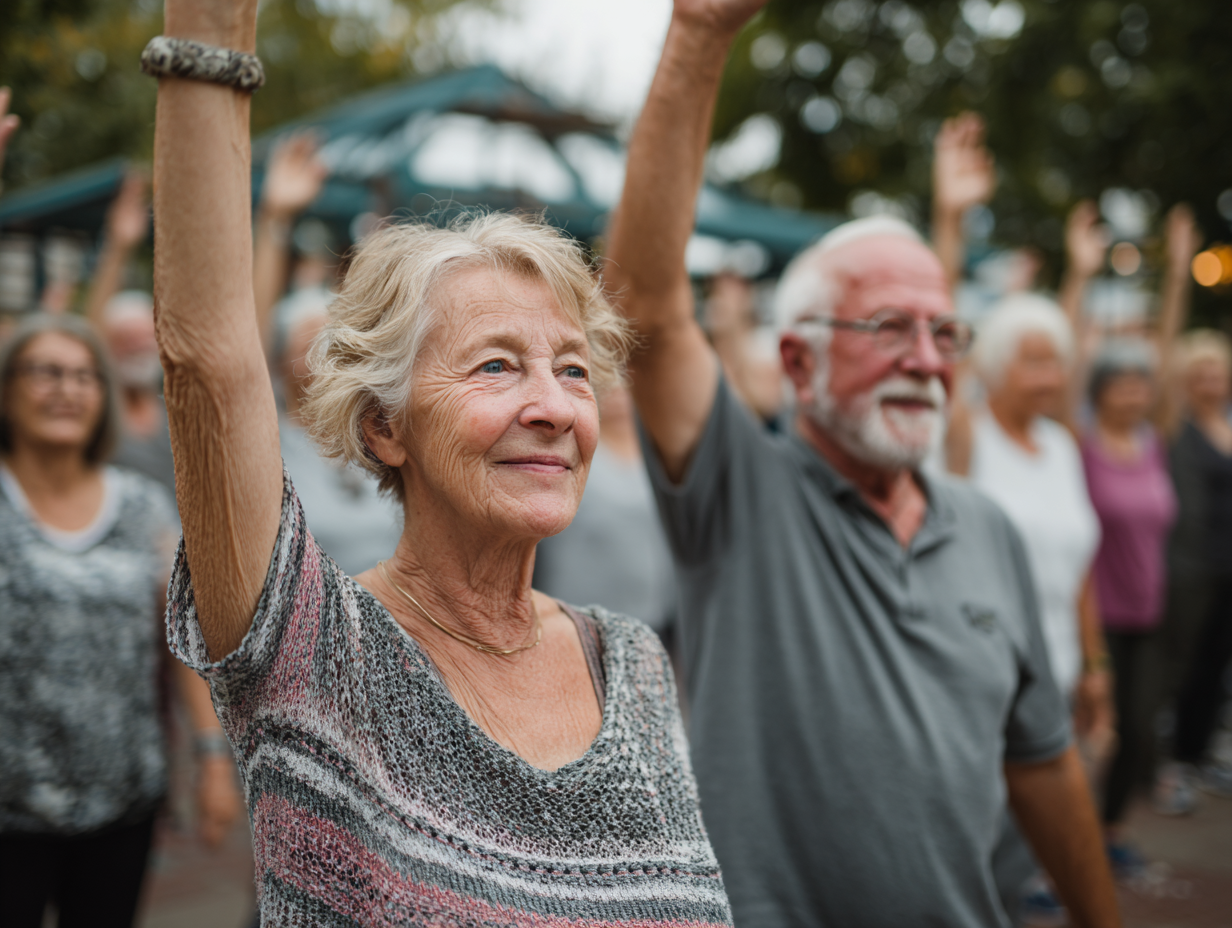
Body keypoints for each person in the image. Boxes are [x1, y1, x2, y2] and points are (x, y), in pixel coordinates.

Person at [148, 1, 732, 924]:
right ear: (386, 428)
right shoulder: (314, 652)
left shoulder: (634, 666)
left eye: (572, 369)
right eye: (497, 365)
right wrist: (212, 36)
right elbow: (207, 363)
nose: (552, 406)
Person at [602, 1, 1121, 926]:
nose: (928, 359)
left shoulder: (987, 527)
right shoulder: (738, 493)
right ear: (796, 361)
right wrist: (699, 35)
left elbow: (1041, 763)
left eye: (944, 332)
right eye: (889, 329)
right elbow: (641, 303)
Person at [0, 314, 240, 928]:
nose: (67, 389)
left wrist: (213, 759)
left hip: (124, 798)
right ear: (6, 388)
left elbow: (179, 645)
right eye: (45, 372)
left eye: (85, 375)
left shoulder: (142, 505)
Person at [1079, 341, 1177, 872]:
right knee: (1093, 735)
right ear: (1098, 393)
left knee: (1140, 732)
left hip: (1149, 614)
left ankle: (1109, 830)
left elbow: (1168, 353)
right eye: (1123, 384)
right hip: (1098, 616)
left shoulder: (1153, 443)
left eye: (1142, 384)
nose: (1136, 393)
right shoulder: (1081, 447)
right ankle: (1062, 847)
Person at [1154, 329, 1232, 811]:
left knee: (1217, 668)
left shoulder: (1228, 425)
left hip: (1228, 567)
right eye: (1200, 372)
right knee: (1182, 667)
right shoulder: (1172, 428)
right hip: (1190, 567)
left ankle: (1200, 755)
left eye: (1217, 372)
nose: (1210, 381)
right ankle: (1172, 766)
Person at [534, 384, 676, 637]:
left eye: (627, 387)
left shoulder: (661, 449)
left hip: (652, 617)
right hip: (577, 617)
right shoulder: (573, 450)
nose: (620, 396)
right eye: (612, 387)